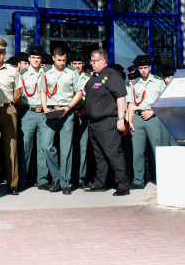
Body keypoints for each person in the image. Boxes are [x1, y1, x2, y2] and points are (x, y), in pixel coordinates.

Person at [84, 49, 129, 196]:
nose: (92, 63)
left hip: (107, 123)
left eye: (94, 61)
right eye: (91, 61)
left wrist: (121, 118)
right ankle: (100, 182)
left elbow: (121, 97)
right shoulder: (95, 77)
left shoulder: (112, 75)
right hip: (93, 123)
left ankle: (122, 184)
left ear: (103, 61)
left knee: (113, 154)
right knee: (99, 155)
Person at [41, 47, 83, 194]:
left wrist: (69, 107)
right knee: (46, 146)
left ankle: (65, 183)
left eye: (64, 60)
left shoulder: (72, 72)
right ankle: (56, 176)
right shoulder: (46, 72)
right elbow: (43, 91)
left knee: (66, 149)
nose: (62, 63)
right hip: (51, 111)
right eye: (59, 60)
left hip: (66, 111)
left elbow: (78, 92)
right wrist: (45, 107)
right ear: (53, 58)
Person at [127, 54, 169, 189]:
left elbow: (164, 101)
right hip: (138, 117)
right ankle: (138, 180)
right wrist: (130, 121)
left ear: (150, 67)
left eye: (146, 67)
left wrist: (153, 112)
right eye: (141, 68)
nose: (143, 70)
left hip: (153, 116)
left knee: (157, 149)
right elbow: (131, 103)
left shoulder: (158, 81)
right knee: (138, 150)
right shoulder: (135, 84)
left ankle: (162, 178)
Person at [0, 38, 22, 196]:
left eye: (1, 52)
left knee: (11, 147)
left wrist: (11, 104)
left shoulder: (12, 70)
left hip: (8, 109)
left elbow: (18, 91)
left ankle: (13, 183)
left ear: (5, 53)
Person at [18, 46, 48, 189]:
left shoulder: (47, 73)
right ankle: (23, 179)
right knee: (25, 147)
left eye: (38, 58)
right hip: (28, 112)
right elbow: (17, 94)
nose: (36, 60)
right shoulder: (22, 75)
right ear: (29, 59)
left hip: (43, 112)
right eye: (33, 58)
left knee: (43, 147)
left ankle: (42, 180)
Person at [69, 52, 92, 187]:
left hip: (83, 114)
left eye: (79, 64)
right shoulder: (67, 76)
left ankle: (82, 177)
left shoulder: (88, 78)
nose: (77, 66)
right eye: (75, 64)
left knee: (83, 146)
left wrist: (85, 109)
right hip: (70, 113)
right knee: (69, 147)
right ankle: (70, 176)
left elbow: (92, 98)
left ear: (83, 64)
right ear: (71, 64)